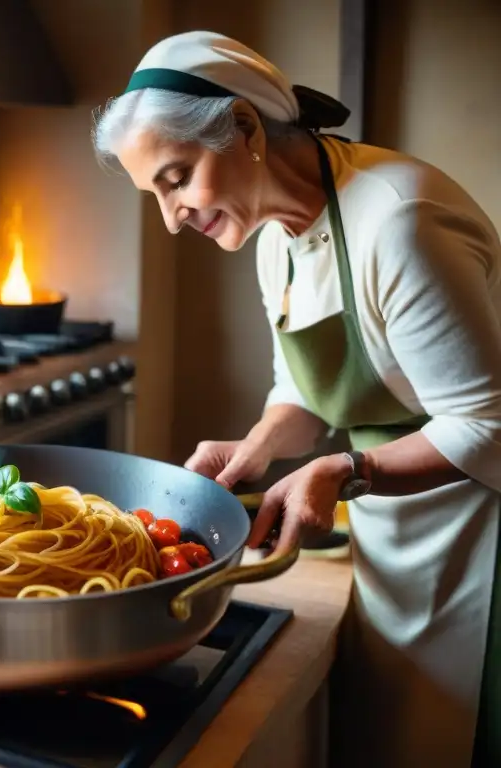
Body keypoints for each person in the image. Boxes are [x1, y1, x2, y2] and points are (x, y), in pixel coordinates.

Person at [92, 29, 501, 767]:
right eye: (155, 191)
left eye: (176, 177)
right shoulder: (275, 234)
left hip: (482, 537)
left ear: (245, 129)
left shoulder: (399, 222)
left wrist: (347, 472)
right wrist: (260, 446)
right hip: (394, 527)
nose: (171, 215)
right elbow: (306, 389)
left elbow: (490, 424)